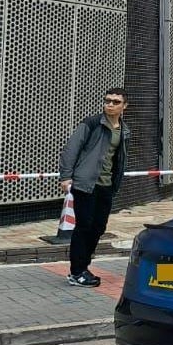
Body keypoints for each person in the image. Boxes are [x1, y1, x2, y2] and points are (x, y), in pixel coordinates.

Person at [58, 88, 130, 287]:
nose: (110, 104)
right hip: (85, 183)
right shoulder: (92, 124)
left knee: (98, 227)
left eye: (115, 102)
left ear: (124, 106)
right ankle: (76, 271)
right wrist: (66, 176)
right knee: (84, 226)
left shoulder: (124, 130)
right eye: (107, 101)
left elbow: (119, 160)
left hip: (106, 186)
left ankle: (84, 267)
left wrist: (116, 182)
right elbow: (71, 149)